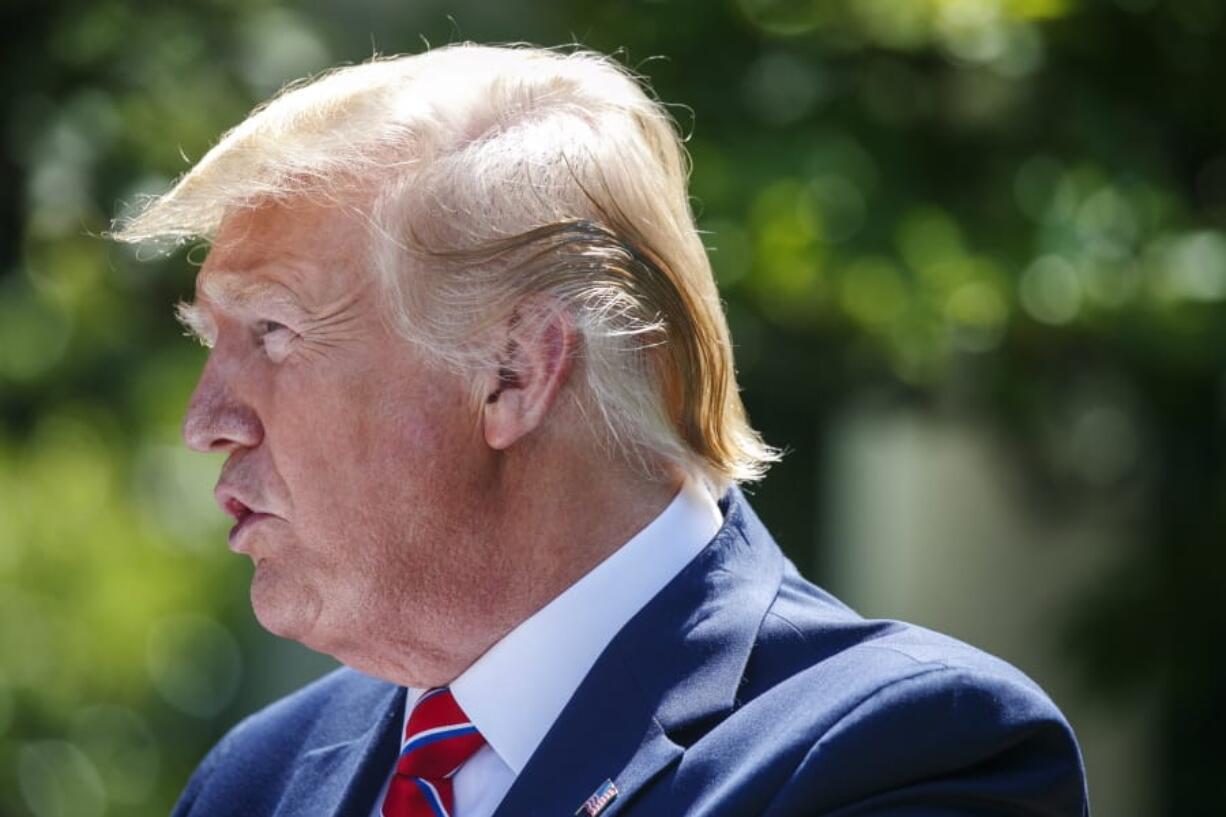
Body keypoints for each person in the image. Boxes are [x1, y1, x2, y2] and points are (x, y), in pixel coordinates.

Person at [113, 43, 1088, 817]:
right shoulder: (260, 779)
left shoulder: (907, 750)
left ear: (516, 370)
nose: (205, 420)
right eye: (210, 338)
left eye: (273, 331)